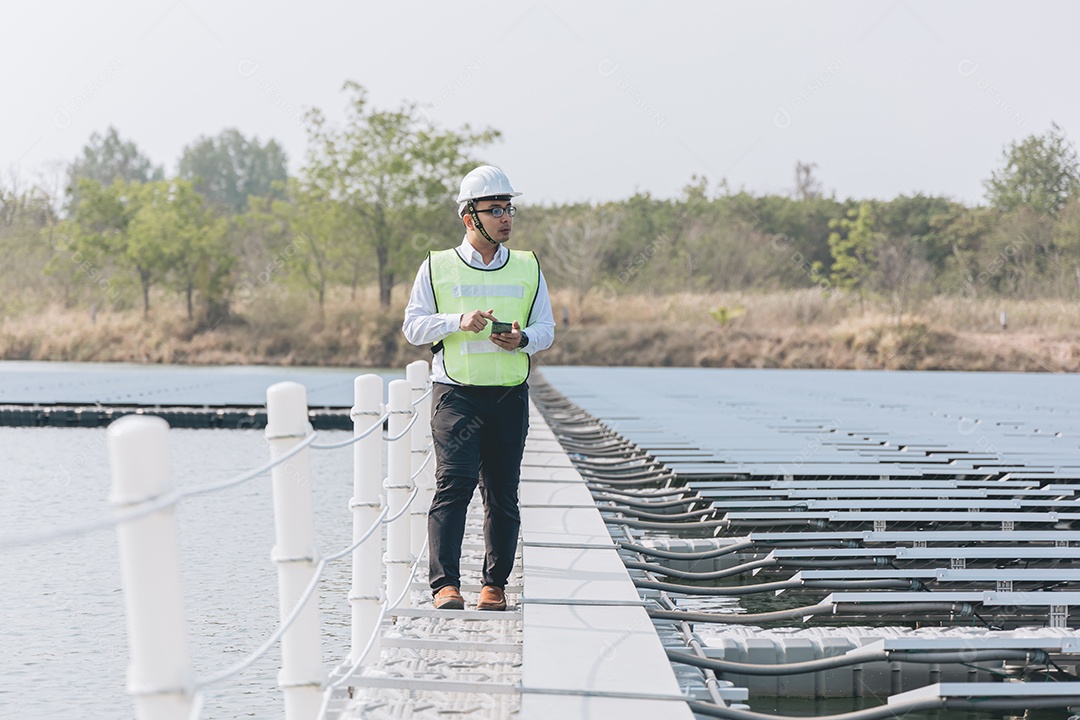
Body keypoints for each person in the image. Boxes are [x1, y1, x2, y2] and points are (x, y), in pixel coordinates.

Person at [402, 165, 555, 611]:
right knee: (455, 483)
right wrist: (457, 322)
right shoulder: (436, 266)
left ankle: (495, 586)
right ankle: (444, 586)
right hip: (456, 394)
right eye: (496, 209)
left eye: (509, 208)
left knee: (502, 492)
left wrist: (523, 338)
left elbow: (546, 329)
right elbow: (413, 327)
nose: (506, 217)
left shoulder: (528, 265)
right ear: (470, 217)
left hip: (509, 395)